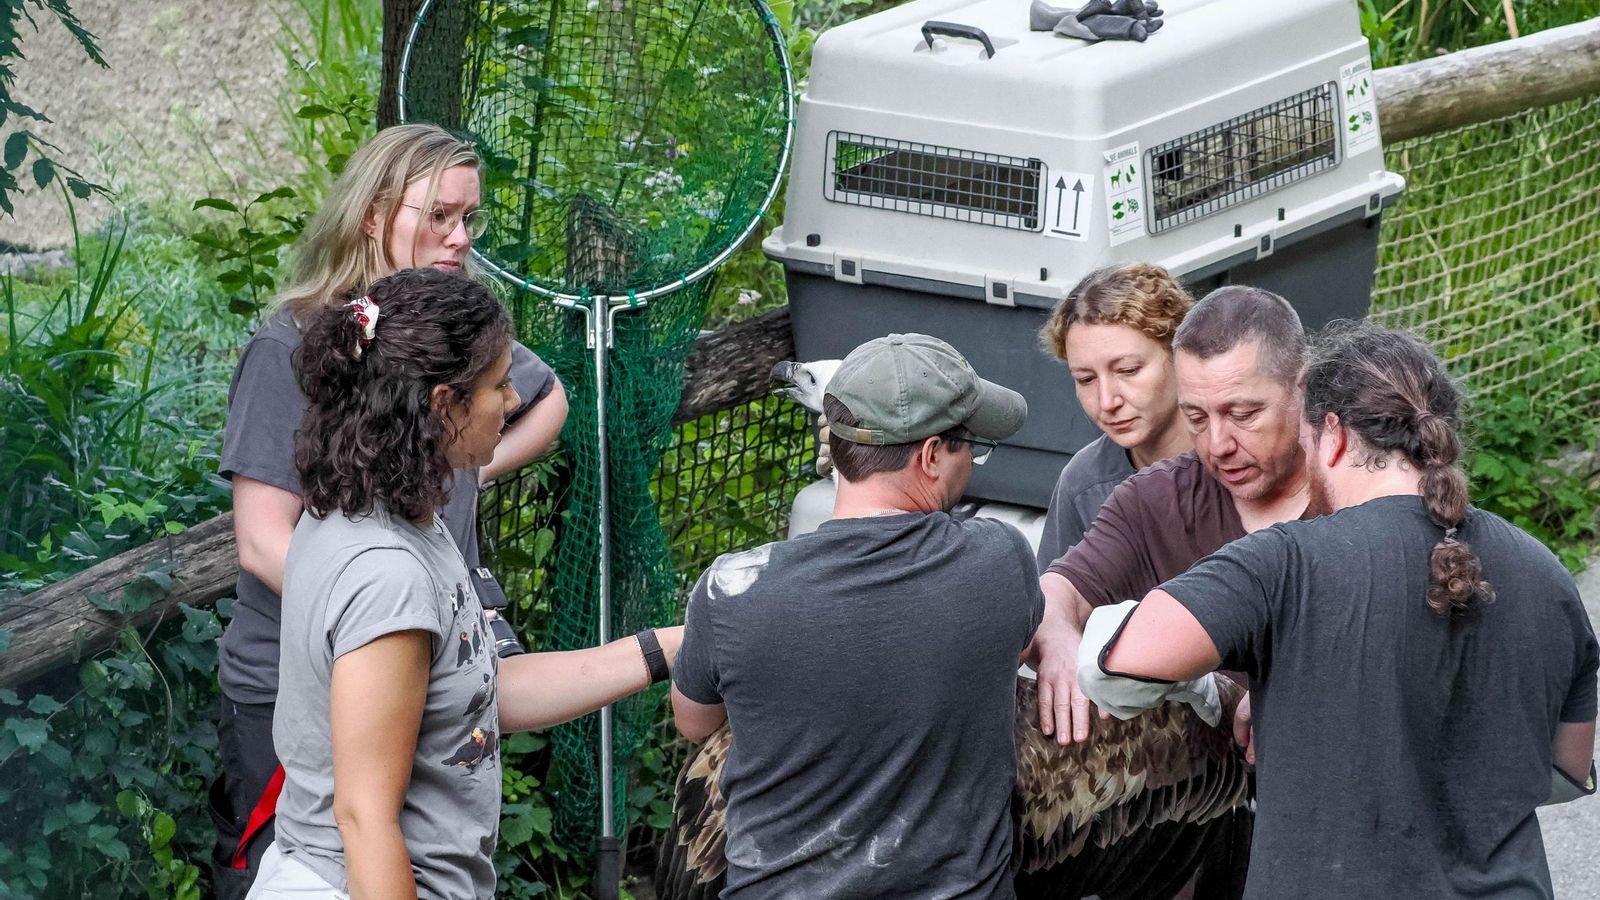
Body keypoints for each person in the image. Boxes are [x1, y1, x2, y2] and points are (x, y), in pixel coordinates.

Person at [1076, 320, 1599, 898]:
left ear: (1333, 434)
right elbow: (1567, 771)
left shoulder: (1285, 563)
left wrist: (1220, 693)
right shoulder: (1547, 573)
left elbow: (1112, 664)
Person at [210, 123, 570, 896]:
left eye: (468, 218)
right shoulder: (289, 346)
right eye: (439, 215)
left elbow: (546, 397)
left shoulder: (450, 335)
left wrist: (471, 462)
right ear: (373, 214)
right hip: (303, 683)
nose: (460, 236)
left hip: (426, 667)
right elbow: (262, 542)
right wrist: (393, 625)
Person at [246, 267, 682, 900]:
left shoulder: (379, 510)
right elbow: (365, 819)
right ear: (443, 405)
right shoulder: (388, 577)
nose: (513, 399)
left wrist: (663, 649)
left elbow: (478, 691)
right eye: (498, 385)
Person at [670, 334, 1043, 898]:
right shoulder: (1001, 559)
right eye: (971, 446)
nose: (973, 461)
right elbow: (1010, 652)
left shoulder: (732, 588)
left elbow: (695, 722)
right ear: (930, 455)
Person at [1029, 284, 1310, 749]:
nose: (1218, 444)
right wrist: (1058, 637)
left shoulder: (1359, 487)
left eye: (1243, 414)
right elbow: (1057, 592)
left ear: (1303, 387)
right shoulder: (1146, 499)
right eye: (1196, 418)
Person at [1035, 263, 1194, 571]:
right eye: (1086, 379)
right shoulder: (1083, 483)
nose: (1107, 401)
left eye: (1128, 370)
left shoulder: (1240, 461)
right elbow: (1051, 595)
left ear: (1180, 354)